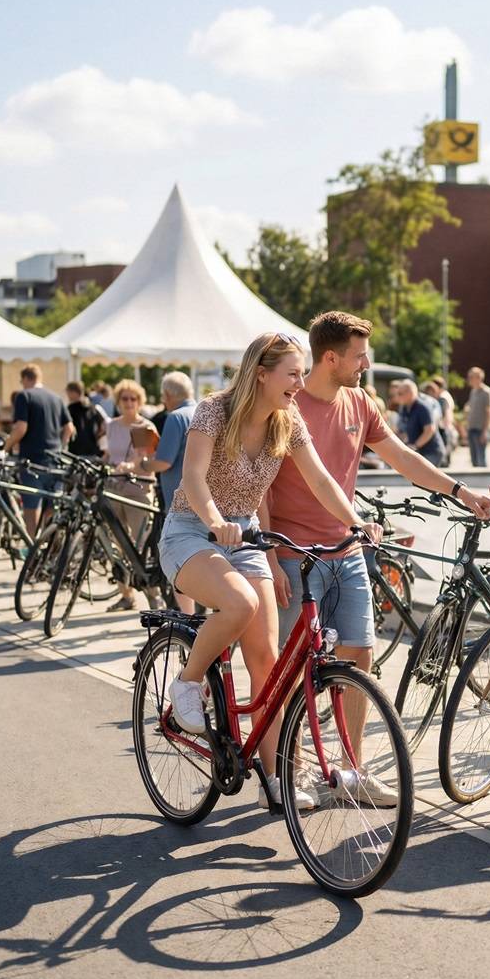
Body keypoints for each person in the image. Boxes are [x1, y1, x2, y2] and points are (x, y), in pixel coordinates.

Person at [266, 313, 490, 795]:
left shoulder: (360, 403)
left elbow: (404, 458)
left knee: (359, 656)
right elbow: (261, 485)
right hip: (292, 555)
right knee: (287, 666)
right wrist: (268, 555)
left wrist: (458, 489)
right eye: (359, 355)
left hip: (345, 550)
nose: (366, 363)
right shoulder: (287, 405)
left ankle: (352, 771)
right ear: (331, 358)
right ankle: (295, 765)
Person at [158, 331, 384, 812]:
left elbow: (319, 476)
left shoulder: (287, 420)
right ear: (261, 373)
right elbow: (193, 476)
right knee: (239, 603)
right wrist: (216, 520)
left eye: (303, 374)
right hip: (191, 531)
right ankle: (188, 681)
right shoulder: (214, 410)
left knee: (269, 664)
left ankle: (276, 778)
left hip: (245, 536)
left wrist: (355, 521)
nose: (301, 384)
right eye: (293, 374)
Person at [129, 372, 197, 615]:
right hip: (205, 498)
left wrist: (144, 465)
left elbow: (164, 462)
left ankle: (187, 619)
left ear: (168, 395)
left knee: (179, 563)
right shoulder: (201, 411)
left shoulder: (175, 417)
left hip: (178, 500)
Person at [103, 379, 158, 612]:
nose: (128, 402)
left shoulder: (145, 426)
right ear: (118, 401)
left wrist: (128, 466)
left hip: (137, 489)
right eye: (124, 398)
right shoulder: (112, 425)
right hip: (114, 487)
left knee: (139, 544)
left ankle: (154, 597)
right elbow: (108, 453)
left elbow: (143, 457)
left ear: (139, 401)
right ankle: (126, 594)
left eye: (133, 399)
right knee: (114, 543)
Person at [4, 365, 74, 537]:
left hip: (32, 459)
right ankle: (47, 546)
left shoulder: (24, 396)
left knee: (31, 505)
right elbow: (69, 428)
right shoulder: (56, 398)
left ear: (26, 379)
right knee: (50, 507)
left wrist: (4, 448)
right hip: (55, 458)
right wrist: (61, 447)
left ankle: (32, 547)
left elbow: (21, 428)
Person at [395, 378, 444, 465]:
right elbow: (402, 430)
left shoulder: (423, 407)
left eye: (400, 394)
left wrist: (415, 446)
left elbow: (429, 430)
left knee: (426, 477)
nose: (397, 397)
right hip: (420, 452)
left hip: (431, 451)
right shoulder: (404, 408)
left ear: (410, 393)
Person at [65, 381, 108, 458]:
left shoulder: (71, 409)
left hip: (76, 451)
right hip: (93, 450)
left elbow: (67, 428)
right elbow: (105, 424)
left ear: (73, 392)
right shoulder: (93, 407)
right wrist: (98, 437)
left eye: (68, 393)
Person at [466, 366, 490, 467]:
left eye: (471, 377)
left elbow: (489, 412)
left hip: (481, 430)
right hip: (471, 428)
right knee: (474, 461)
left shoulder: (486, 392)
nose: (469, 379)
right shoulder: (473, 391)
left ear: (478, 378)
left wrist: (485, 431)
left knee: (480, 459)